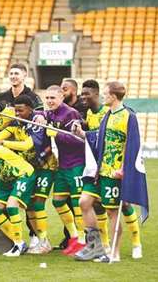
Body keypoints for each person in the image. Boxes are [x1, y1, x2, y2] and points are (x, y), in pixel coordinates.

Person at [74, 81, 143, 262]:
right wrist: (84, 134)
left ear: (113, 96)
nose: (103, 96)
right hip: (100, 170)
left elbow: (133, 143)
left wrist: (124, 169)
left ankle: (115, 253)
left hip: (114, 172)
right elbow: (100, 137)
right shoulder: (108, 115)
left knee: (113, 212)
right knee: (84, 202)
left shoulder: (128, 116)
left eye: (105, 94)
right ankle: (95, 246)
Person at [0, 95, 56, 254]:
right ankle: (39, 240)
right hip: (29, 168)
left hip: (46, 167)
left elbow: (28, 145)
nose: (18, 113)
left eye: (21, 110)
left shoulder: (36, 122)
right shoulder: (14, 123)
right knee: (30, 206)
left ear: (30, 109)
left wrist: (3, 143)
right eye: (16, 110)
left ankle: (44, 241)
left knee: (38, 203)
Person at [40, 85, 86, 255]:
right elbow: (39, 113)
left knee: (77, 203)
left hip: (76, 164)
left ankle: (82, 239)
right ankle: (74, 237)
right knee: (58, 201)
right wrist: (39, 116)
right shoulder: (50, 113)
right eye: (47, 98)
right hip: (62, 165)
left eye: (53, 98)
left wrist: (56, 134)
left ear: (61, 97)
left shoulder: (70, 113)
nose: (50, 101)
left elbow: (79, 140)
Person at [79, 79, 111, 250]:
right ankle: (99, 245)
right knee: (86, 202)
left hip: (109, 166)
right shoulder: (90, 113)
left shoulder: (108, 112)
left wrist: (85, 133)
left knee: (123, 206)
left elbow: (104, 137)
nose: (83, 97)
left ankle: (136, 244)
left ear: (97, 94)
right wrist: (81, 127)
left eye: (86, 94)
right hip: (94, 167)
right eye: (82, 93)